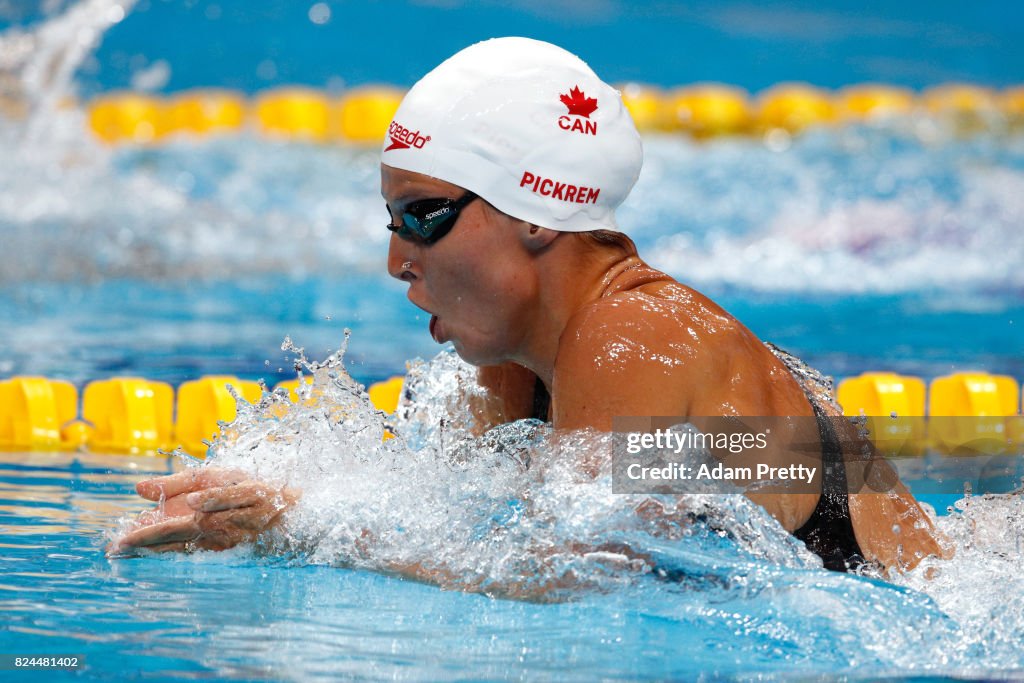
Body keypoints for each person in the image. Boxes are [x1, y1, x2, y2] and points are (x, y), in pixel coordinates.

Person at [110, 37, 949, 574]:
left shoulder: (636, 335)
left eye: (424, 217)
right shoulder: (518, 358)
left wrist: (306, 527)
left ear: (540, 216)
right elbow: (457, 518)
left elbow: (577, 574)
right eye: (391, 220)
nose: (397, 260)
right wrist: (277, 495)